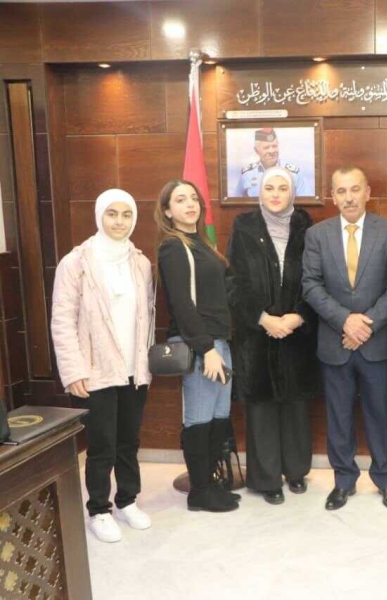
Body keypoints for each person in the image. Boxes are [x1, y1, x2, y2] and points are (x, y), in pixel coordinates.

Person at [51, 189, 154, 543]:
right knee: (101, 445)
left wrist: (145, 363)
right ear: (99, 216)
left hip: (133, 370)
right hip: (94, 371)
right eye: (112, 214)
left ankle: (128, 501)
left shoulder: (140, 263)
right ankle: (98, 509)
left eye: (126, 214)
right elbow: (62, 321)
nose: (119, 222)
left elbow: (146, 318)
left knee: (128, 442)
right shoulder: (75, 262)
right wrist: (73, 370)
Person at [302, 167, 387, 511]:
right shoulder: (316, 235)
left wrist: (366, 325)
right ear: (333, 196)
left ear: (367, 192)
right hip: (335, 343)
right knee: (339, 416)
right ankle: (343, 481)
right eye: (341, 191)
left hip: (378, 342)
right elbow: (310, 285)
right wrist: (345, 321)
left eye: (355, 189)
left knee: (381, 414)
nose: (349, 197)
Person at [227, 167, 319, 505]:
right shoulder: (244, 226)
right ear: (259, 192)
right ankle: (267, 480)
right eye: (269, 188)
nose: (276, 194)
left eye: (282, 188)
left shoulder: (306, 226)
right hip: (257, 334)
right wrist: (264, 319)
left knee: (295, 407)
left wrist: (298, 316)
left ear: (292, 192)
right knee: (262, 409)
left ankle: (295, 472)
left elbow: (317, 277)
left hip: (296, 333)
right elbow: (234, 281)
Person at [156, 179, 239, 513]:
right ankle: (199, 492)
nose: (190, 204)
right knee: (199, 420)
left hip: (219, 341)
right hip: (200, 344)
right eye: (180, 200)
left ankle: (212, 484)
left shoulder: (202, 243)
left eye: (193, 198)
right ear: (167, 211)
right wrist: (207, 349)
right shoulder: (173, 247)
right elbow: (182, 305)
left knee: (219, 418)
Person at [237, 128, 308, 197]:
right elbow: (235, 201)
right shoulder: (247, 174)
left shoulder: (293, 174)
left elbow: (307, 201)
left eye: (274, 146)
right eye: (266, 147)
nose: (271, 151)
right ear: (256, 150)